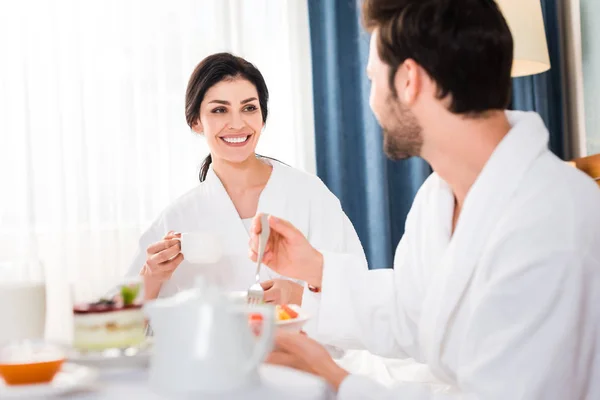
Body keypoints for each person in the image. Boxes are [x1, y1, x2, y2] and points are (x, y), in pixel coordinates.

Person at [248, 0, 600, 399]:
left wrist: (335, 380)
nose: (373, 102)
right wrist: (313, 267)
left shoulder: (552, 222)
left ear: (409, 80)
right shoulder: (438, 198)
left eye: (371, 79)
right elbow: (413, 312)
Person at [126, 53, 366, 319]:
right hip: (221, 359)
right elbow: (121, 326)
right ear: (196, 121)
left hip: (305, 356)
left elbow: (357, 294)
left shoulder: (309, 194)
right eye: (219, 110)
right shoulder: (178, 218)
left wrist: (298, 297)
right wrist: (152, 276)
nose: (238, 123)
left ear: (262, 117)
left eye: (249, 108)